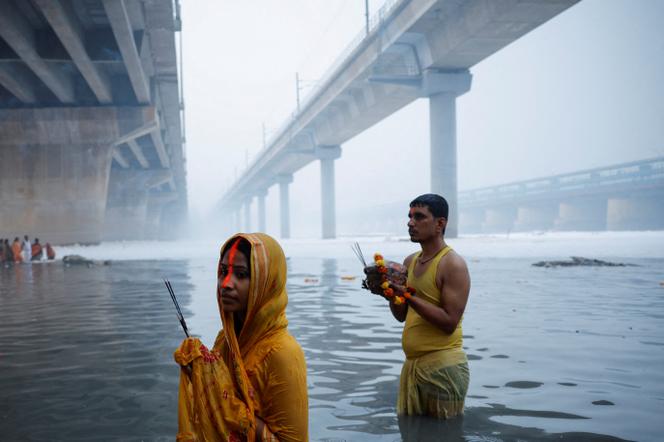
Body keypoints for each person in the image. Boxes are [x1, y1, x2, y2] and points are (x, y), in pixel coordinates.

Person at [174, 233, 308, 441]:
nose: (226, 284)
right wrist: (200, 375)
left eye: (241, 274)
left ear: (265, 284)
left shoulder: (283, 354)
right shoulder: (226, 340)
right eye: (223, 272)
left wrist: (224, 403)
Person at [366, 194, 471, 420]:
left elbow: (449, 322)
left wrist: (408, 295)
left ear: (440, 223)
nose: (410, 223)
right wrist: (389, 293)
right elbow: (401, 315)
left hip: (443, 367)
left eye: (419, 217)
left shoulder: (452, 263)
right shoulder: (410, 261)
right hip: (412, 366)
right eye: (410, 216)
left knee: (444, 436)